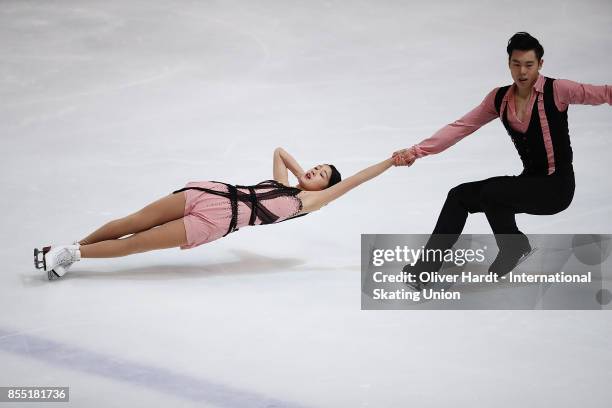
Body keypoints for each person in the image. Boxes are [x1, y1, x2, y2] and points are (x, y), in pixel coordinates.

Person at [392, 32, 611, 289]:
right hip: (528, 183)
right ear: (509, 63)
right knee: (459, 196)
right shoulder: (499, 98)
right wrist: (416, 151)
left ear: (540, 64)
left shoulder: (557, 90)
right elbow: (460, 127)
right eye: (516, 64)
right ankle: (423, 271)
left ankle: (514, 246)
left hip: (557, 187)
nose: (522, 71)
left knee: (494, 192)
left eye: (529, 64)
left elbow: (604, 93)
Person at [35, 148, 393, 280]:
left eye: (322, 175)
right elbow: (281, 151)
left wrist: (391, 161)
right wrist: (300, 177)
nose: (315, 171)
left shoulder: (311, 203)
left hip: (215, 221)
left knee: (137, 243)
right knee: (132, 222)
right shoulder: (287, 184)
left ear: (326, 189)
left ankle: (73, 254)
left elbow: (359, 179)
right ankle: (69, 249)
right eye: (316, 167)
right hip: (209, 192)